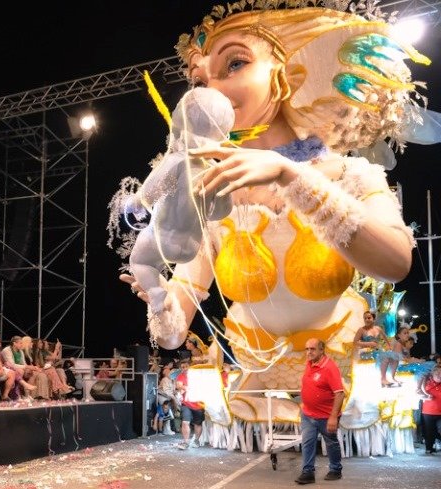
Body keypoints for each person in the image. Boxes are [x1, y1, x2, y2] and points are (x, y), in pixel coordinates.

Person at [116, 0, 439, 448]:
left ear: (287, 77)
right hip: (254, 395)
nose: (209, 91)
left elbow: (396, 262)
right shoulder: (208, 194)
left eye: (234, 64)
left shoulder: (348, 175)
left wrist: (294, 177)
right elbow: (171, 336)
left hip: (338, 379)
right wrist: (156, 295)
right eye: (198, 80)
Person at [297, 339, 344, 484]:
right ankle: (308, 472)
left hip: (326, 417)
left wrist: (333, 417)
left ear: (321, 350)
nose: (309, 352)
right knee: (307, 443)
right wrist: (304, 402)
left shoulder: (330, 368)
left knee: (331, 443)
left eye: (312, 349)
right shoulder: (310, 363)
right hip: (308, 415)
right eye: (307, 349)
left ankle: (336, 469)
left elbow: (340, 393)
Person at [420, 366, 441, 455]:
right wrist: (426, 396)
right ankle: (429, 448)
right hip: (428, 412)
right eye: (437, 374)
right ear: (432, 374)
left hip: (440, 412)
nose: (440, 376)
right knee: (430, 431)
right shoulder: (426, 382)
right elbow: (418, 393)